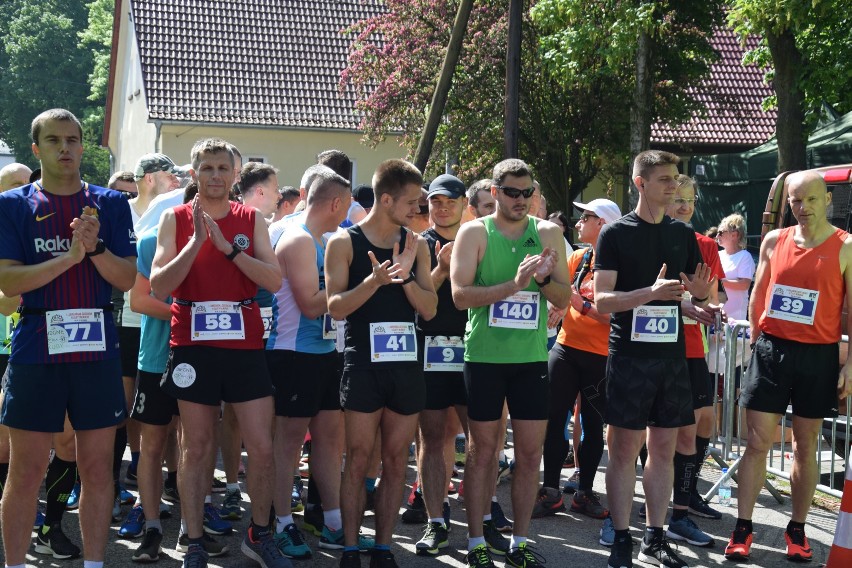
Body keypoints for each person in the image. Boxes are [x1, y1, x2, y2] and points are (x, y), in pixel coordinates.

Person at [0, 108, 136, 568]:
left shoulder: (110, 205)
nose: (65, 148)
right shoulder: (13, 204)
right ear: (37, 149)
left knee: (98, 468)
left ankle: (96, 563)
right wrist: (70, 256)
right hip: (37, 345)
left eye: (73, 140)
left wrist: (95, 249)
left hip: (96, 348)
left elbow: (127, 279)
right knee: (26, 472)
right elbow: (10, 283)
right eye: (54, 140)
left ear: (83, 146)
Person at [150, 138, 288, 568]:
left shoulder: (252, 219)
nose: (214, 176)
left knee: (261, 447)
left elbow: (273, 279)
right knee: (198, 445)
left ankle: (259, 534)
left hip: (244, 345)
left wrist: (229, 248)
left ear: (234, 175)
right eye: (206, 168)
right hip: (192, 346)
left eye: (222, 169)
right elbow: (158, 286)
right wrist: (195, 244)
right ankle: (192, 541)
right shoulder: (174, 219)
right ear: (194, 174)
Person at [594, 150, 714, 568]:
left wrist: (697, 303)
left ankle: (655, 535)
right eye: (663, 179)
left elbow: (681, 296)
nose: (672, 186)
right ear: (639, 182)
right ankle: (622, 537)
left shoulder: (682, 235)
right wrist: (651, 292)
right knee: (625, 450)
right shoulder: (615, 234)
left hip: (671, 359)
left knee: (664, 450)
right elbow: (602, 300)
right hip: (629, 357)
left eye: (675, 178)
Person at [724, 171, 852, 562]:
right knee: (757, 442)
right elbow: (759, 292)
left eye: (811, 199)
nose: (803, 208)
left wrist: (851, 365)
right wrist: (754, 341)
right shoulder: (774, 240)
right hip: (772, 352)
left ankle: (797, 530)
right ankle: (743, 528)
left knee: (805, 444)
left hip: (819, 356)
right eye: (796, 201)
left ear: (827, 199)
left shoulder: (845, 246)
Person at [451, 158, 571, 568]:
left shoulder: (549, 233)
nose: (522, 200)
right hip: (484, 357)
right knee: (483, 452)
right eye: (513, 193)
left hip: (530, 359)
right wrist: (514, 285)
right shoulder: (474, 233)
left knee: (529, 453)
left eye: (528, 193)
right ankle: (475, 543)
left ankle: (520, 542)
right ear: (496, 192)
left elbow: (564, 300)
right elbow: (460, 296)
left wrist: (540, 281)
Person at [325, 159, 437, 568]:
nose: (417, 209)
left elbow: (429, 309)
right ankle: (351, 547)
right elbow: (335, 308)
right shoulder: (344, 243)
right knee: (357, 458)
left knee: (395, 458)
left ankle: (383, 547)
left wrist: (406, 277)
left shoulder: (417, 244)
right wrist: (374, 281)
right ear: (385, 199)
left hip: (406, 365)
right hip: (362, 365)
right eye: (411, 202)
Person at [266, 169, 351, 559]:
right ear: (335, 203)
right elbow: (311, 304)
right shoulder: (299, 238)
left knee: (330, 439)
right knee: (287, 442)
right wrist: (358, 287)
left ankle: (333, 522)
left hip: (325, 352)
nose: (347, 213)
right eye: (346, 205)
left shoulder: (324, 238)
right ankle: (281, 521)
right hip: (292, 353)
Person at [538, 199, 621, 527]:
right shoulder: (579, 256)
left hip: (600, 356)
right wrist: (557, 303)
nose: (578, 222)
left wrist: (577, 303)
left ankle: (585, 491)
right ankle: (550, 489)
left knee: (591, 427)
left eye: (585, 217)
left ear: (602, 223)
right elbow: (560, 292)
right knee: (552, 419)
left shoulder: (619, 264)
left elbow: (617, 316)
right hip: (566, 348)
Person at [661, 176, 726, 549]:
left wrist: (707, 308)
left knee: (701, 422)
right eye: (678, 199)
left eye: (690, 200)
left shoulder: (706, 245)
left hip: (692, 348)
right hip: (652, 348)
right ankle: (661, 498)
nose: (684, 206)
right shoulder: (649, 237)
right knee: (654, 431)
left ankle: (684, 498)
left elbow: (710, 299)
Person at [408, 174, 470, 556]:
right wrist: (442, 269)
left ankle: (486, 515)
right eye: (434, 201)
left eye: (449, 200)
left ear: (464, 203)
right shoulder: (416, 245)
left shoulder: (478, 239)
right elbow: (415, 300)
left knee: (481, 441)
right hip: (427, 348)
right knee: (431, 437)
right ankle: (435, 521)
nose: (441, 207)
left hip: (474, 350)